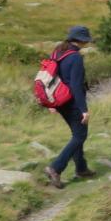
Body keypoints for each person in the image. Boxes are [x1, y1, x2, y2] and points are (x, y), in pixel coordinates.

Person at [44, 25, 93, 189]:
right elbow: (76, 86)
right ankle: (55, 168)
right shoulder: (75, 57)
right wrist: (84, 110)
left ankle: (81, 168)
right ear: (82, 40)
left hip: (59, 101)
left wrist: (51, 103)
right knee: (80, 136)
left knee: (77, 134)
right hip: (71, 102)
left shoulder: (58, 51)